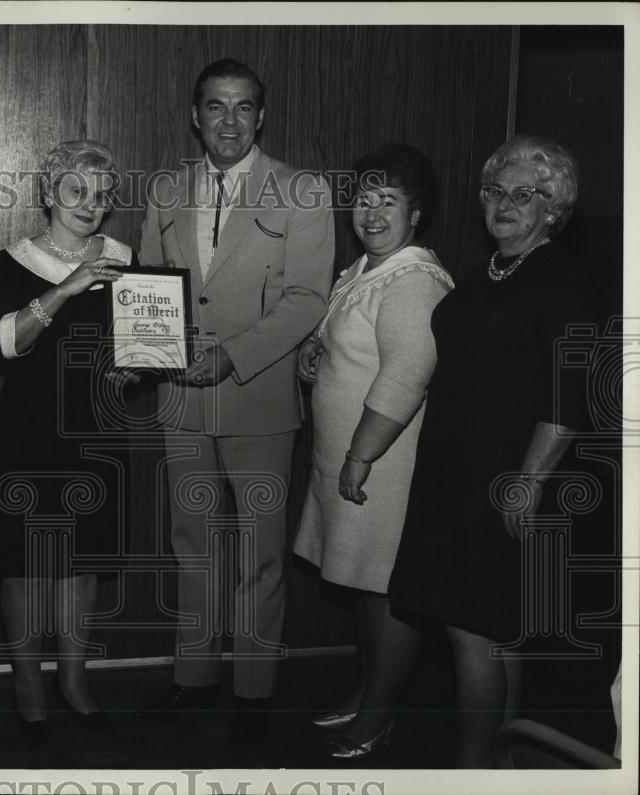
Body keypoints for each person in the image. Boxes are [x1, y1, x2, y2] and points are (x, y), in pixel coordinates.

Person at [138, 58, 335, 747]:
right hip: (182, 398)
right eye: (215, 107)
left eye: (242, 107)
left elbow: (309, 298)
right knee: (191, 545)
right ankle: (193, 678)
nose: (228, 120)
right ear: (195, 116)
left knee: (260, 552)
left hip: (259, 396)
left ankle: (254, 688)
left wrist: (234, 353)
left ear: (261, 116)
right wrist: (153, 353)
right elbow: (148, 291)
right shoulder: (165, 189)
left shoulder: (303, 191)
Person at [388, 136, 591, 767]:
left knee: (472, 631)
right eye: (495, 191)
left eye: (524, 193)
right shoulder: (489, 270)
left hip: (506, 473)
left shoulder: (561, 279)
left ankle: (474, 771)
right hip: (455, 467)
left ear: (553, 208)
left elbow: (570, 398)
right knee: (500, 631)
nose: (504, 203)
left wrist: (529, 482)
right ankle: (507, 761)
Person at [292, 144, 453, 759]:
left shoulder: (415, 279)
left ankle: (381, 714)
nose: (372, 212)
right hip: (346, 463)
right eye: (362, 199)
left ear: (418, 213)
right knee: (360, 585)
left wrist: (361, 454)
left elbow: (408, 372)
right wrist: (317, 347)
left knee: (385, 593)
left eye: (389, 200)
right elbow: (352, 339)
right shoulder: (365, 269)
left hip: (382, 468)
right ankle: (367, 692)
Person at [0, 139, 138, 741]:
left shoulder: (126, 258)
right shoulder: (11, 261)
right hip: (27, 427)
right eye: (76, 191)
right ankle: (27, 684)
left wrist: (138, 364)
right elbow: (3, 346)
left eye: (101, 196)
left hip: (96, 430)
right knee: (26, 565)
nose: (90, 206)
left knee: (83, 562)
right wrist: (68, 286)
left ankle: (73, 680)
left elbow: (140, 341)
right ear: (50, 194)